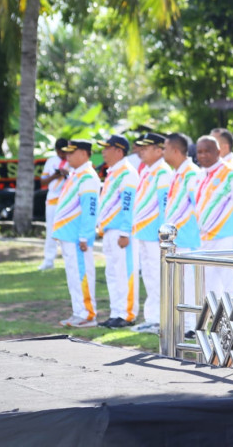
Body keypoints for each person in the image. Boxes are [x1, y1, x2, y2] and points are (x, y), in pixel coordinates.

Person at [52, 139, 101, 328]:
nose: (67, 156)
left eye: (71, 153)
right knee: (74, 276)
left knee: (82, 275)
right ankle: (78, 312)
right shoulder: (76, 175)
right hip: (68, 235)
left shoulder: (88, 177)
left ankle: (88, 314)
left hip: (76, 236)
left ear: (83, 153)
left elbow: (89, 210)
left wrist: (84, 236)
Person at [194, 135, 233, 299]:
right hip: (205, 239)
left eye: (207, 151)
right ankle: (218, 322)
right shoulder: (200, 176)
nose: (203, 155)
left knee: (231, 283)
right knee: (209, 285)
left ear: (218, 151)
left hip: (228, 237)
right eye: (199, 152)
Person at [96, 134, 139, 329]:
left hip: (121, 232)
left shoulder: (127, 173)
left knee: (125, 273)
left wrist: (125, 232)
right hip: (109, 230)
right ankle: (116, 312)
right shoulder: (113, 172)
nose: (103, 152)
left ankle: (128, 314)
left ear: (119, 151)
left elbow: (127, 205)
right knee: (112, 273)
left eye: (107, 148)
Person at [131, 133, 171, 334]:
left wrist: (163, 231)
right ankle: (152, 318)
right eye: (141, 147)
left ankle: (160, 319)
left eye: (146, 148)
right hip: (143, 233)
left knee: (157, 276)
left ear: (159, 150)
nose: (141, 151)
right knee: (148, 276)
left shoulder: (163, 172)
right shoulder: (147, 171)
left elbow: (165, 205)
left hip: (155, 234)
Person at [163, 133, 201, 335]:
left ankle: (193, 326)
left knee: (190, 283)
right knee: (180, 282)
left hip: (189, 237)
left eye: (165, 148)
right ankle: (184, 324)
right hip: (178, 238)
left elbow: (198, 206)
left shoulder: (192, 173)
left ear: (176, 151)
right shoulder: (177, 173)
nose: (163, 152)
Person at [39, 138, 70, 270]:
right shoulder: (51, 161)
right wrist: (55, 175)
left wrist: (66, 174)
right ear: (56, 151)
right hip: (52, 199)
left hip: (67, 199)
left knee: (67, 230)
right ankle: (48, 260)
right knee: (51, 230)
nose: (62, 155)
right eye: (60, 152)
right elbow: (43, 181)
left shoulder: (72, 160)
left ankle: (68, 258)